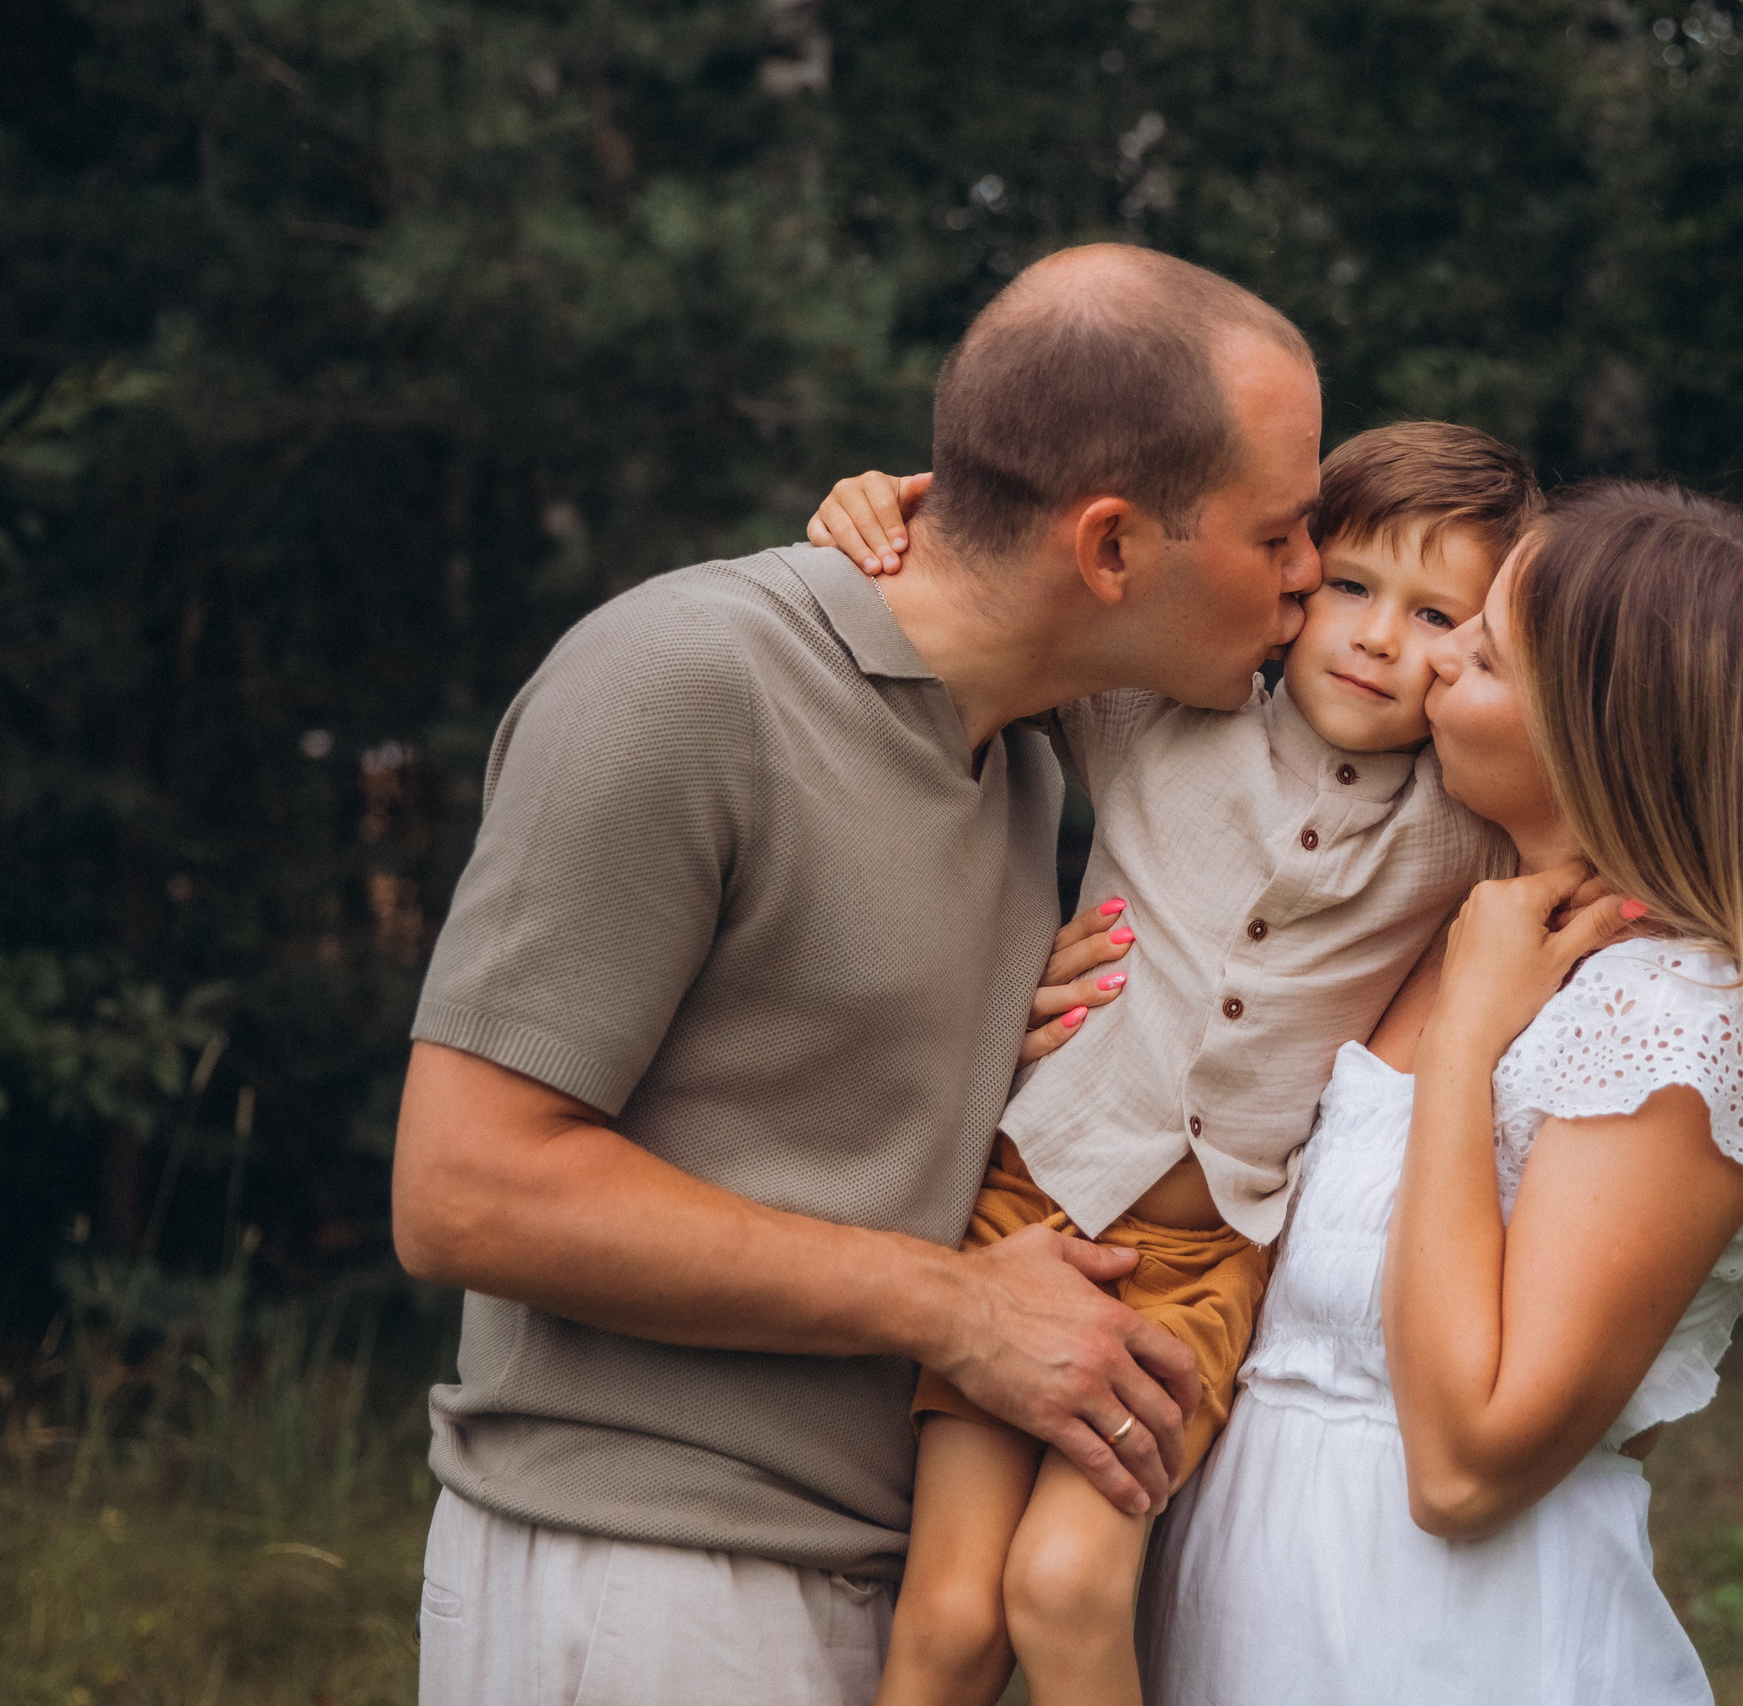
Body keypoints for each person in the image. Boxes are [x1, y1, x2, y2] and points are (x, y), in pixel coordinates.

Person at [386, 243, 1324, 1706]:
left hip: (906, 1597)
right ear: (1113, 549)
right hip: (659, 1581)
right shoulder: (684, 680)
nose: (1313, 576)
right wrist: (962, 1310)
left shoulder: (1026, 754)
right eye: (1281, 535)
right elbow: (464, 1188)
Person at [1137, 481, 1743, 1703]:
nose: (1429, 658)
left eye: (1478, 651)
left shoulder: (1673, 1023)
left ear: (1596, 738)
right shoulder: (1444, 905)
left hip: (1436, 1646)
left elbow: (1471, 1462)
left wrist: (1465, 1038)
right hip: (1256, 1609)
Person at [802, 421, 1541, 1706]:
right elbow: (1007, 593)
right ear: (1294, 585)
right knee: (951, 1621)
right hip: (1020, 1217)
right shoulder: (1160, 714)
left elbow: (1619, 823)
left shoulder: (1463, 830)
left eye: (1438, 617)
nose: (1376, 636)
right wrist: (880, 511)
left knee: (1069, 1586)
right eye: (1352, 588)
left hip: (1203, 1270)